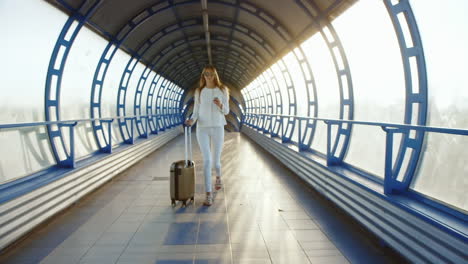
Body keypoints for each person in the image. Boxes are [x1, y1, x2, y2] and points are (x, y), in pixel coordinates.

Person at [185, 65, 229, 206]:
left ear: (215, 75)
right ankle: (208, 194)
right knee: (207, 161)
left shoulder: (222, 90)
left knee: (216, 161)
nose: (209, 76)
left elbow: (227, 111)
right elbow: (196, 111)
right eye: (206, 74)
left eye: (211, 74)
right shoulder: (199, 91)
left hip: (217, 127)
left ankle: (218, 176)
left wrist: (220, 105)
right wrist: (192, 120)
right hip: (202, 128)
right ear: (203, 76)